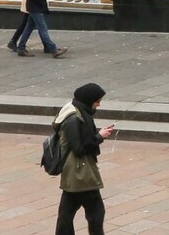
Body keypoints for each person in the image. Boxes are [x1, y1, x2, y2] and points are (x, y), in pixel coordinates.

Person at [52, 81, 115, 235]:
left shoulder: (77, 111)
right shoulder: (74, 119)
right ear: (89, 99)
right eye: (97, 101)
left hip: (73, 173)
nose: (98, 105)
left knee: (67, 212)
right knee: (96, 212)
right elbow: (79, 148)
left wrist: (98, 135)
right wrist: (99, 137)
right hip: (81, 173)